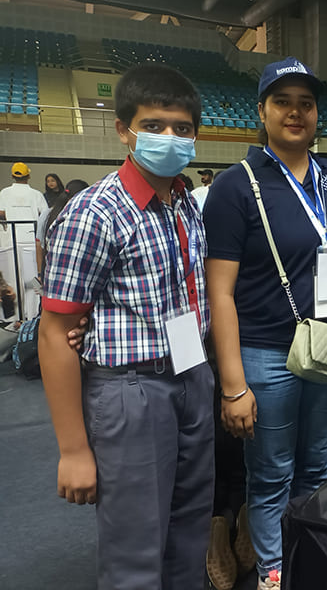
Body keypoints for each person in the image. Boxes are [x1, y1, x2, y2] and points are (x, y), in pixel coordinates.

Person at [39, 62, 213, 590]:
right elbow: (54, 332)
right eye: (154, 125)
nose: (169, 137)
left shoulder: (185, 204)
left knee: (190, 535)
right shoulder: (95, 212)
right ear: (123, 129)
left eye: (182, 128)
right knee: (135, 551)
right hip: (131, 391)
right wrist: (73, 449)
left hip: (192, 374)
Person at [204, 57, 327, 590]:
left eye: (305, 104)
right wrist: (233, 384)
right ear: (262, 111)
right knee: (271, 476)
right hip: (268, 353)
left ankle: (306, 560)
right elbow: (219, 292)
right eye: (282, 102)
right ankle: (273, 573)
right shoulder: (235, 185)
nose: (295, 113)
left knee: (316, 468)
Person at [36, 178, 89, 273]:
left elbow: (39, 245)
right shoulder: (81, 215)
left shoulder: (47, 213)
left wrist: (40, 273)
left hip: (50, 269)